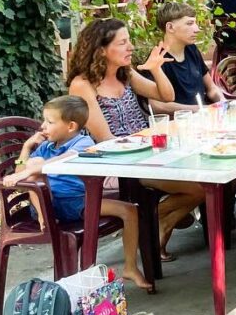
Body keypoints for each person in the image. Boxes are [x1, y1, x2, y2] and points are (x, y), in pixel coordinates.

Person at [66, 19, 203, 261]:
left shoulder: (125, 74)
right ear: (101, 50)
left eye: (128, 41)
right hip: (116, 164)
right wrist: (147, 146)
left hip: (145, 154)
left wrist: (156, 69)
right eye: (122, 42)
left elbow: (166, 95)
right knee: (198, 187)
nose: (130, 47)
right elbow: (106, 139)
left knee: (204, 181)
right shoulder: (83, 85)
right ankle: (151, 221)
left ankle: (156, 222)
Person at [5, 95, 152, 291]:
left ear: (71, 126)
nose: (43, 126)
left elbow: (65, 159)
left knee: (130, 210)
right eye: (44, 120)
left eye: (50, 122)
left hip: (76, 201)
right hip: (48, 203)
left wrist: (31, 169)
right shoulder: (45, 147)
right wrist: (26, 147)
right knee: (35, 163)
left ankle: (130, 267)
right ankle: (44, 218)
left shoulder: (83, 142)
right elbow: (20, 177)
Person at [146, 1, 224, 112]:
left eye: (195, 23)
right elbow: (156, 105)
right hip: (178, 120)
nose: (197, 29)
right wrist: (199, 110)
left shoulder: (192, 49)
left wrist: (223, 102)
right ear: (170, 27)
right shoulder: (156, 58)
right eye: (189, 23)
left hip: (204, 116)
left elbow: (211, 88)